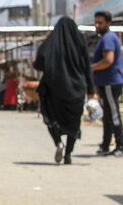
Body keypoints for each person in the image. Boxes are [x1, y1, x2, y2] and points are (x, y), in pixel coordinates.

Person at [34, 16, 90, 164]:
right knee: (73, 123)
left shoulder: (50, 43)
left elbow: (38, 63)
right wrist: (91, 90)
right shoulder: (80, 43)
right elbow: (87, 67)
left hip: (53, 90)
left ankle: (58, 142)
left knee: (52, 119)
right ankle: (68, 154)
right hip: (75, 90)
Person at [90, 10, 123, 156]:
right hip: (105, 83)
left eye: (101, 23)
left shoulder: (109, 38)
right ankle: (105, 145)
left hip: (111, 82)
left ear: (108, 24)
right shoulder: (105, 38)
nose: (97, 26)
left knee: (114, 114)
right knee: (108, 115)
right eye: (96, 22)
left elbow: (108, 60)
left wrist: (90, 68)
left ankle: (120, 145)